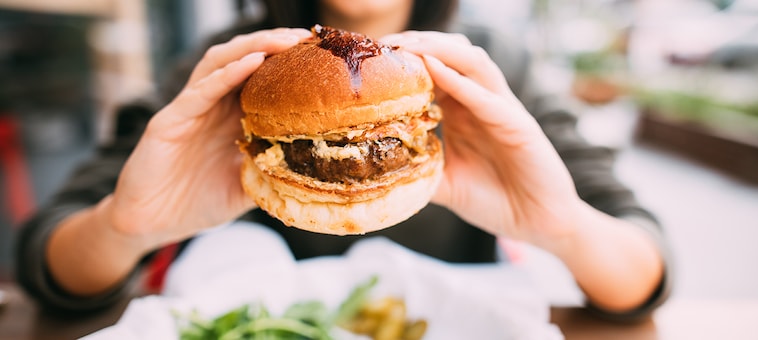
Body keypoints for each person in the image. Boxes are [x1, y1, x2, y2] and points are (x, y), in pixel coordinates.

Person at [15, 0, 671, 321]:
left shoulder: (485, 68)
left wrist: (560, 227)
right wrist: (128, 228)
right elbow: (46, 268)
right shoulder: (225, 67)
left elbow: (643, 278)